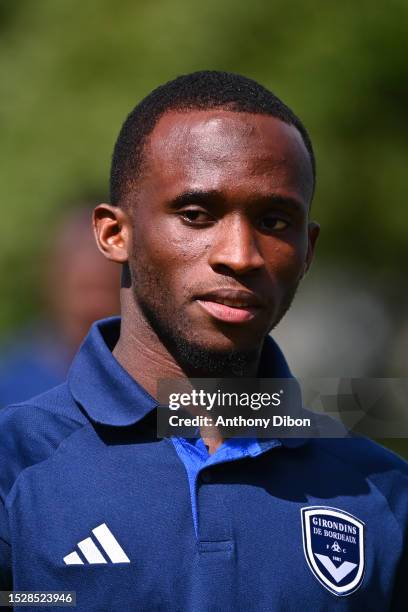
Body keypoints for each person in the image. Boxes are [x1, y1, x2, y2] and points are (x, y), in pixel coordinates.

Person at [0, 71, 407, 610]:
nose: (240, 254)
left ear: (308, 251)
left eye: (274, 220)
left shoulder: (382, 492)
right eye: (196, 214)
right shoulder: (14, 468)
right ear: (114, 234)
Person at [0, 206, 120, 406]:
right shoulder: (9, 378)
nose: (93, 265)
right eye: (85, 286)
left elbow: (185, 431)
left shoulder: (170, 375)